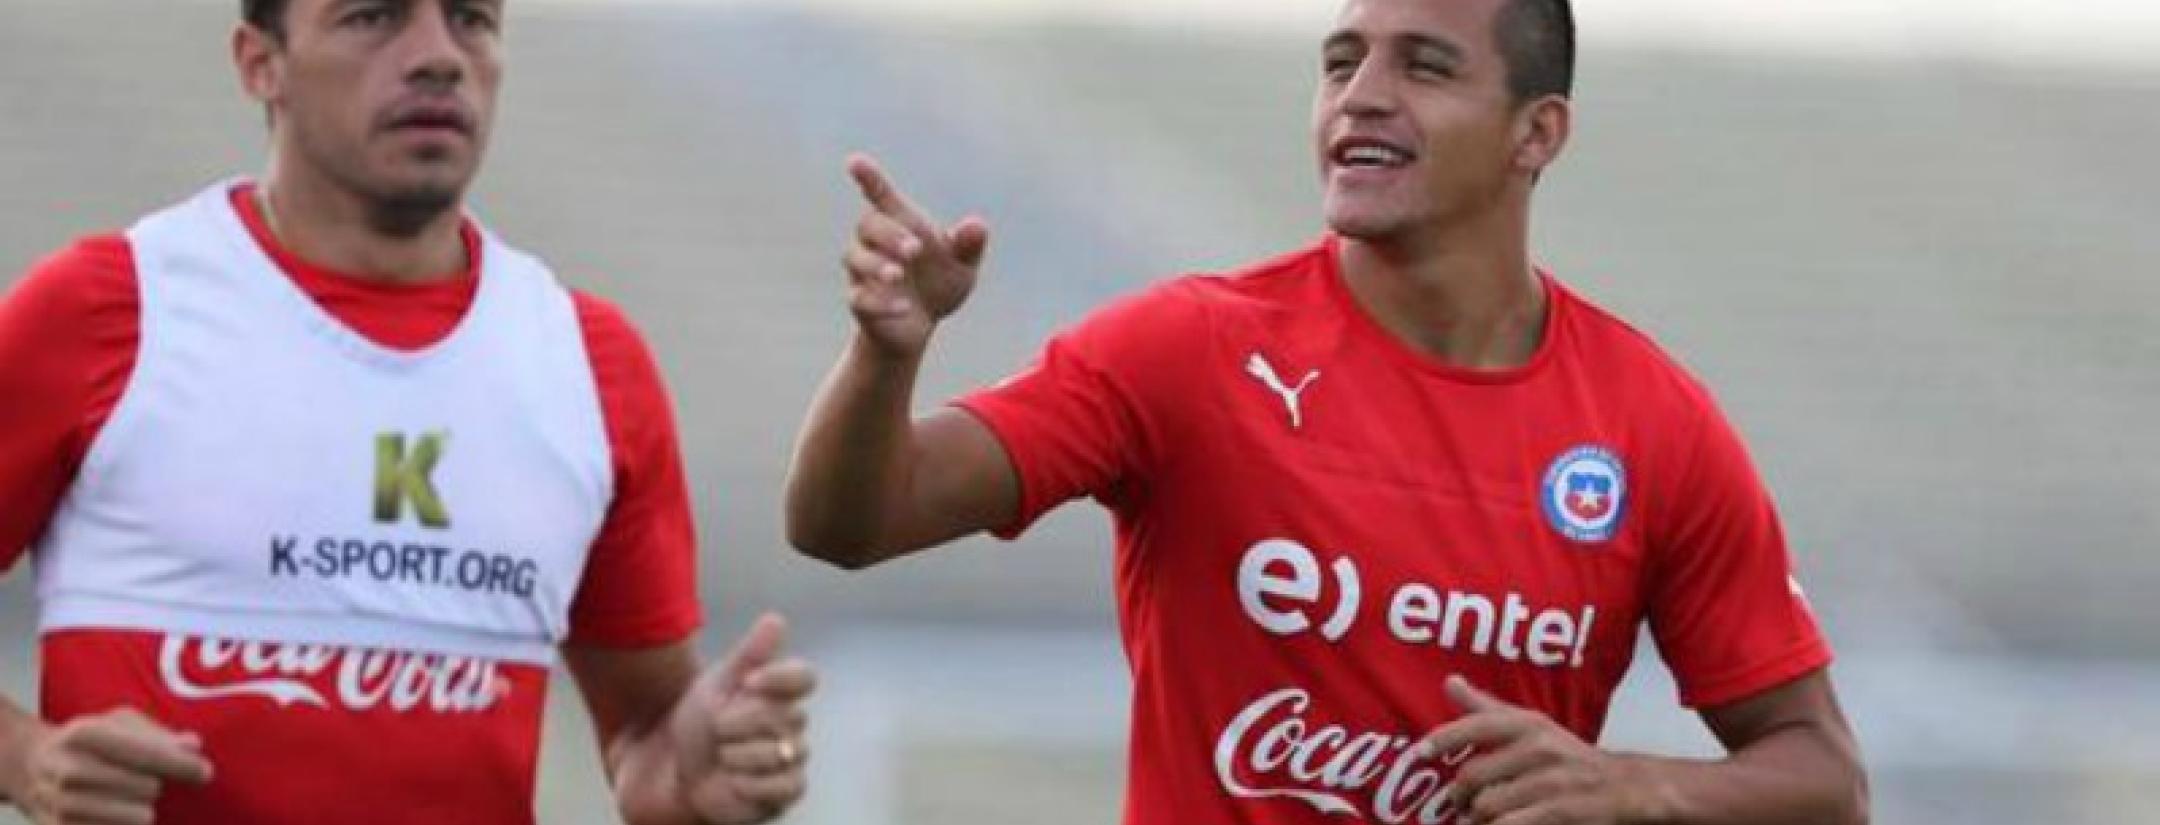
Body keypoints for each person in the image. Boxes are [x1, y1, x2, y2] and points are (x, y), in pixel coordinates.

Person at [787, 0, 1867, 823]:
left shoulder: (1653, 424)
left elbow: (1823, 777)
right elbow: (851, 524)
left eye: (1425, 66)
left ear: (1537, 133)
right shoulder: (1189, 350)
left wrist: (1631, 786)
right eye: (1341, 62)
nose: (1363, 95)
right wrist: (888, 358)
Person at [0, 2, 812, 823]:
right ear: (260, 63)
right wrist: (26, 759)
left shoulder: (589, 363)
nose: (438, 56)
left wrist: (693, 776)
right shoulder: (108, 311)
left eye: (471, 20)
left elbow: (647, 741)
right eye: (374, 17)